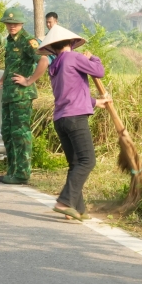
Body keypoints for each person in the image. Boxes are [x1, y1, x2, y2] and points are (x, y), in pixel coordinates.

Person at [30, 24, 109, 221]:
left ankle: (77, 209)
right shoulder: (74, 57)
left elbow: (70, 94)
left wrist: (96, 102)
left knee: (75, 164)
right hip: (75, 119)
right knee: (87, 161)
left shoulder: (54, 66)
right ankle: (64, 201)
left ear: (52, 48)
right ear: (72, 43)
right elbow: (99, 71)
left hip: (61, 119)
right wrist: (93, 58)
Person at [0, 7, 48, 184]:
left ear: (22, 23)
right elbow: (11, 65)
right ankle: (12, 171)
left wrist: (29, 80)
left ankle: (22, 174)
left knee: (20, 134)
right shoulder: (9, 40)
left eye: (15, 23)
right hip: (9, 93)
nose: (11, 26)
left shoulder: (28, 41)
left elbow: (44, 60)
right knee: (7, 132)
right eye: (8, 23)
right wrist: (1, 79)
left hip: (22, 95)